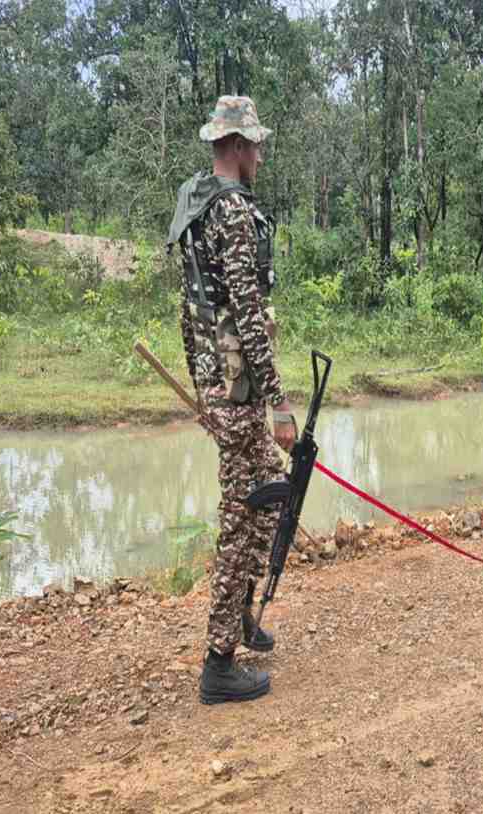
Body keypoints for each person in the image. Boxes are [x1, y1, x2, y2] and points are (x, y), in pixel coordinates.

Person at [165, 96, 297, 705]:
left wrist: (202, 388)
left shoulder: (195, 205)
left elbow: (191, 311)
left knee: (270, 493)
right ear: (237, 146)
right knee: (241, 516)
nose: (261, 156)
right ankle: (219, 664)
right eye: (257, 146)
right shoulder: (233, 212)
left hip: (217, 384)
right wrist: (278, 402)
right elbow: (246, 311)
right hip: (239, 389)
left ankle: (240, 610)